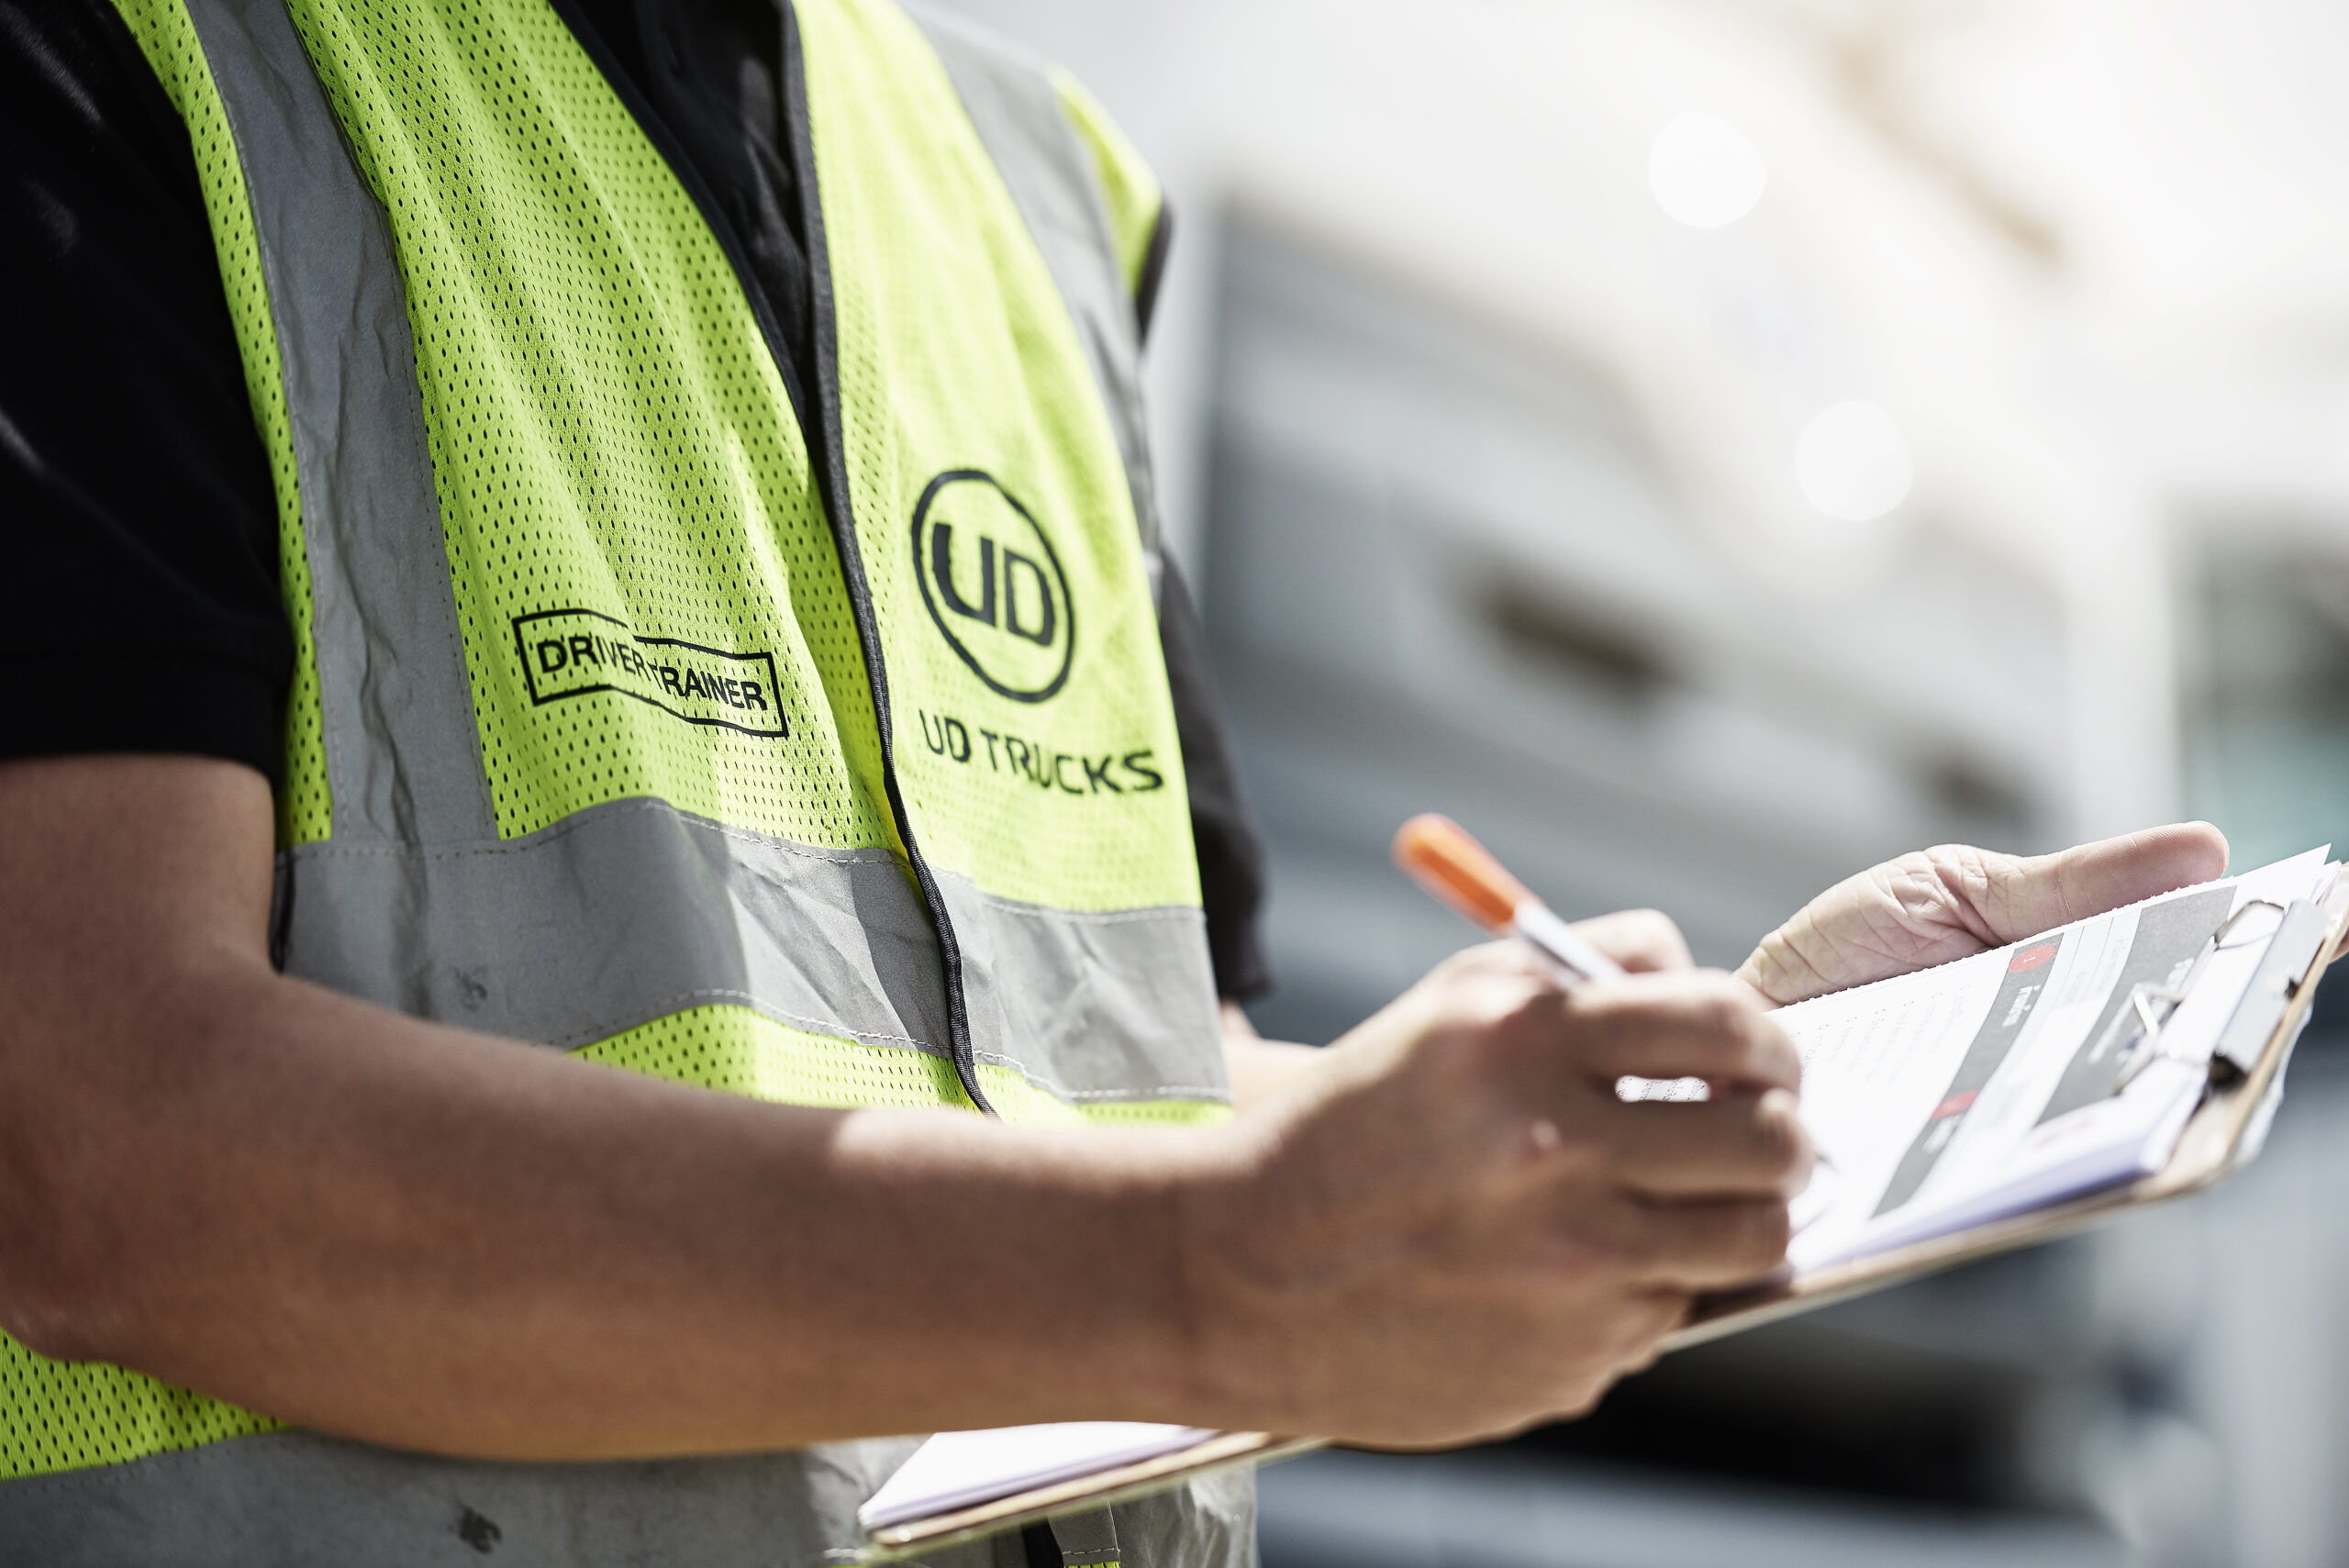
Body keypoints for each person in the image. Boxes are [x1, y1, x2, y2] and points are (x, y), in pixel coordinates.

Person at [0, 0, 2232, 1563]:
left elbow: (1144, 1094)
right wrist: (1217, 1280)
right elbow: (84, 1135)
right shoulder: (134, 54)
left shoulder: (1012, 181)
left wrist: (1696, 1108)